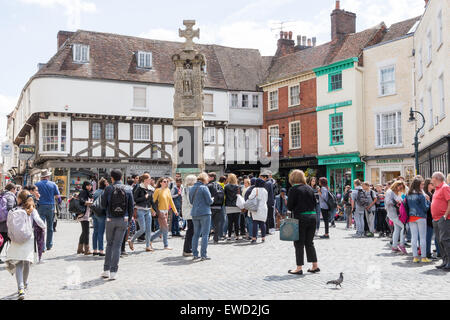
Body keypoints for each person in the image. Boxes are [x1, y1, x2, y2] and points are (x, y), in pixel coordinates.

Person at [5, 190, 46, 300]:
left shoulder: (13, 210)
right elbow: (39, 222)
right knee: (26, 262)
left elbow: (8, 225)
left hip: (15, 240)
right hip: (28, 238)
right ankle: (25, 283)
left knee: (18, 264)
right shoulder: (31, 209)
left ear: (19, 199)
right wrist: (44, 228)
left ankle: (21, 288)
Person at [100, 169, 134, 280]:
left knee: (109, 244)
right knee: (118, 245)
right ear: (122, 176)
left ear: (112, 178)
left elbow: (103, 205)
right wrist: (128, 221)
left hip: (110, 219)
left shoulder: (108, 188)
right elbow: (131, 207)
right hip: (123, 219)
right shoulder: (128, 189)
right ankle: (114, 272)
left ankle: (106, 270)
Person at [287, 170, 320, 275]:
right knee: (309, 242)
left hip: (300, 217)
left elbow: (290, 206)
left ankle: (299, 267)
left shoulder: (293, 189)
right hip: (312, 216)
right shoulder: (310, 188)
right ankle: (315, 266)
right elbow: (315, 203)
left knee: (299, 243)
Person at [406, 176, 431, 263]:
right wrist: (428, 201)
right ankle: (423, 257)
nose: (423, 186)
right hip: (421, 217)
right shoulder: (421, 195)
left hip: (411, 217)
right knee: (423, 238)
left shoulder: (408, 194)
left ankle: (415, 257)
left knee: (414, 238)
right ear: (418, 185)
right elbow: (425, 208)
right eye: (422, 184)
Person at [35, 169, 61, 251]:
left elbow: (34, 195)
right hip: (51, 207)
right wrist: (59, 202)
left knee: (41, 226)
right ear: (47, 176)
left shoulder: (37, 184)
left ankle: (42, 246)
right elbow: (57, 196)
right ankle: (49, 245)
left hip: (40, 206)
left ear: (42, 177)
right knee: (50, 227)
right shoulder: (53, 184)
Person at [189, 173, 213, 261]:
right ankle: (203, 255)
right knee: (205, 235)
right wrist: (212, 199)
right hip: (205, 213)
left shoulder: (191, 188)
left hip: (195, 213)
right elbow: (209, 201)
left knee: (196, 234)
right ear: (204, 179)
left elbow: (191, 202)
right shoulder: (204, 188)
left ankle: (195, 254)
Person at [129, 173, 155, 252]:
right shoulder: (139, 187)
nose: (150, 180)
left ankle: (147, 246)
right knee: (143, 229)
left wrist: (155, 210)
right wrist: (144, 197)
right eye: (149, 179)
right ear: (145, 180)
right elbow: (135, 199)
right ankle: (131, 240)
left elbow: (152, 201)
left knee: (148, 229)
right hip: (140, 209)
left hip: (148, 210)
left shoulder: (151, 189)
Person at [150, 177, 178, 250]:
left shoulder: (168, 190)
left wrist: (175, 210)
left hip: (166, 211)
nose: (166, 183)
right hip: (160, 211)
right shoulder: (157, 191)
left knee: (163, 229)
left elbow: (171, 201)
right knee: (165, 227)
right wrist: (152, 211)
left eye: (167, 182)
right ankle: (166, 245)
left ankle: (149, 239)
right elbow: (152, 202)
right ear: (160, 182)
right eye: (164, 181)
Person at [430, 172, 450, 270]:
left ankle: (449, 261)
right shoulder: (437, 189)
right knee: (439, 240)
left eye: (432, 178)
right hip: (436, 219)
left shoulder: (445, 187)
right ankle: (445, 260)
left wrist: (445, 215)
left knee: (445, 240)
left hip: (443, 219)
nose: (431, 180)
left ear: (437, 178)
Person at [385, 180, 407, 254]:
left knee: (397, 229)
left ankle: (394, 246)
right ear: (396, 185)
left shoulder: (394, 192)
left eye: (401, 188)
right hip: (392, 213)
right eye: (399, 187)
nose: (399, 189)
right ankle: (401, 244)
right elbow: (387, 202)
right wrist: (396, 202)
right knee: (404, 227)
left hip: (395, 213)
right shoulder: (390, 192)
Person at [0, 183, 18, 264]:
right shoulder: (10, 196)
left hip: (2, 221)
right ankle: (16, 257)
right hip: (6, 222)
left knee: (4, 239)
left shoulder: (3, 194)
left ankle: (15, 256)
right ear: (12, 189)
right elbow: (10, 208)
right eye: (15, 189)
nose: (16, 191)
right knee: (6, 239)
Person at [76, 181, 93, 255]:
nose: (89, 187)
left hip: (85, 214)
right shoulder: (84, 192)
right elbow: (81, 201)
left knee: (84, 232)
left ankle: (80, 249)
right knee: (86, 232)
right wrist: (90, 203)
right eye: (88, 185)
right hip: (84, 214)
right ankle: (87, 250)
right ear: (85, 186)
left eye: (90, 185)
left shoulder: (87, 193)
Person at [248, 178, 268, 244]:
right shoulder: (265, 190)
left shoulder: (255, 189)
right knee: (262, 223)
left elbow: (250, 197)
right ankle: (263, 238)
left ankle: (254, 238)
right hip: (264, 208)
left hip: (256, 208)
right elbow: (266, 199)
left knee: (255, 222)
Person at [207, 172, 225, 244]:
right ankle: (216, 239)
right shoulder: (219, 185)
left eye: (208, 177)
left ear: (212, 178)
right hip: (218, 207)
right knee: (216, 224)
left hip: (210, 206)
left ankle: (206, 238)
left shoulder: (209, 185)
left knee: (208, 223)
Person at [92, 178, 108, 257]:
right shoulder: (104, 193)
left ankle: (95, 250)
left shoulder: (95, 192)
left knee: (95, 232)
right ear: (105, 184)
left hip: (95, 213)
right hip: (101, 214)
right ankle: (101, 250)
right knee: (101, 232)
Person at [182, 175, 197, 256]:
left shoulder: (185, 188)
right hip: (191, 212)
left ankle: (188, 249)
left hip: (188, 212)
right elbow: (190, 201)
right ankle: (187, 249)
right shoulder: (189, 189)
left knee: (190, 231)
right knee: (191, 231)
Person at [224, 173, 242, 241]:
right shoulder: (238, 187)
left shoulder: (226, 186)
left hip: (228, 205)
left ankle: (229, 236)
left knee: (230, 222)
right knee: (236, 222)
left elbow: (224, 195)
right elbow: (240, 196)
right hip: (236, 205)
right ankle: (237, 235)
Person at [424, 178, 437, 259]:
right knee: (428, 237)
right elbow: (428, 207)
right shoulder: (427, 194)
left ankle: (427, 252)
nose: (433, 185)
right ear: (428, 185)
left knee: (428, 236)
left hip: (429, 217)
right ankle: (427, 253)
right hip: (428, 217)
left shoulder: (430, 193)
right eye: (432, 184)